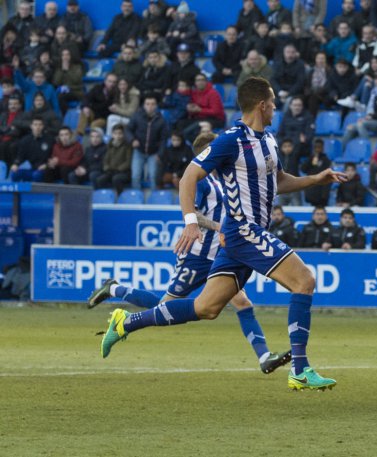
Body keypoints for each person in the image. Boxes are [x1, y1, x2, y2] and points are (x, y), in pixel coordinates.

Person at [100, 77, 348, 391]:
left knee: (206, 308)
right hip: (245, 231)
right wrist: (191, 221)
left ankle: (126, 322)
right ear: (262, 105)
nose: (275, 108)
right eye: (272, 102)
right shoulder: (231, 139)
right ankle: (300, 369)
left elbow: (279, 182)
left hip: (238, 237)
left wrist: (316, 179)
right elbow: (189, 175)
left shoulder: (268, 141)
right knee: (305, 281)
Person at [88, 132, 291, 375]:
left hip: (222, 255)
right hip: (197, 256)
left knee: (242, 302)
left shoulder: (223, 182)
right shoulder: (201, 182)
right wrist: (218, 227)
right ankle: (115, 290)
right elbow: (191, 213)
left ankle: (264, 357)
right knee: (163, 306)